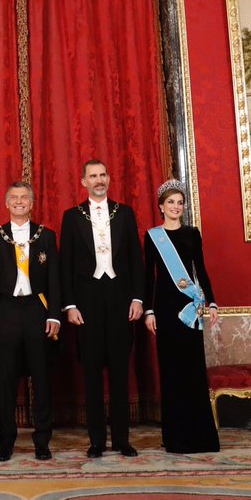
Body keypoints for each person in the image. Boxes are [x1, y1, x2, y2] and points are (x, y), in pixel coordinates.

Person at [59, 160, 143, 458]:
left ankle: (121, 439)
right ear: (83, 181)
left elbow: (136, 259)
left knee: (120, 372)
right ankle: (96, 440)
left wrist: (138, 299)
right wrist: (70, 305)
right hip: (87, 301)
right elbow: (65, 265)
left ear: (109, 178)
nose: (99, 180)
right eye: (93, 176)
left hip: (120, 299)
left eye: (103, 175)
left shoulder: (125, 213)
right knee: (92, 374)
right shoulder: (72, 217)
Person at [0, 182, 61, 461]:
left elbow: (54, 278)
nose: (19, 201)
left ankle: (42, 440)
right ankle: (6, 441)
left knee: (41, 376)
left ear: (31, 203)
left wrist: (54, 314)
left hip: (37, 309)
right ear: (6, 203)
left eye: (24, 197)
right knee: (5, 378)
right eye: (14, 197)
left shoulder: (46, 236)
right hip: (6, 310)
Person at [143, 180, 219, 453]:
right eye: (171, 202)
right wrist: (149, 310)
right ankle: (175, 437)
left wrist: (212, 303)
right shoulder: (153, 237)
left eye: (180, 202)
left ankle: (200, 437)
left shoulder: (192, 233)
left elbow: (202, 269)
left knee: (193, 369)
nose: (176, 207)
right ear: (161, 206)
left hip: (190, 309)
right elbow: (148, 277)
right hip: (165, 309)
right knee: (172, 371)